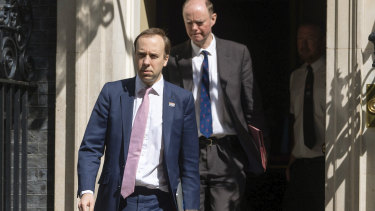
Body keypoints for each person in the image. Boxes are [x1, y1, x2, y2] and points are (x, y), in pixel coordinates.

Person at [77, 28, 200, 211]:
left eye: (154, 56)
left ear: (166, 59)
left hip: (160, 203)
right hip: (115, 200)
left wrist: (191, 207)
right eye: (141, 55)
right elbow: (91, 147)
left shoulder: (182, 101)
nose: (146, 62)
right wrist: (86, 190)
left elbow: (189, 163)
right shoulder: (112, 93)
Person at [163, 0, 266, 210]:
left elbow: (251, 106)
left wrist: (258, 150)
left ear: (213, 19)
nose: (194, 28)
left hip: (227, 152)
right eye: (188, 22)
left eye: (200, 22)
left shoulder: (238, 53)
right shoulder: (174, 57)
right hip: (189, 152)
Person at [282, 24, 326, 211]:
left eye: (310, 39)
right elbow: (296, 119)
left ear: (322, 41)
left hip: (323, 160)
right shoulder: (296, 76)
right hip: (300, 162)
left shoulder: (331, 73)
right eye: (300, 39)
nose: (304, 45)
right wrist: (292, 157)